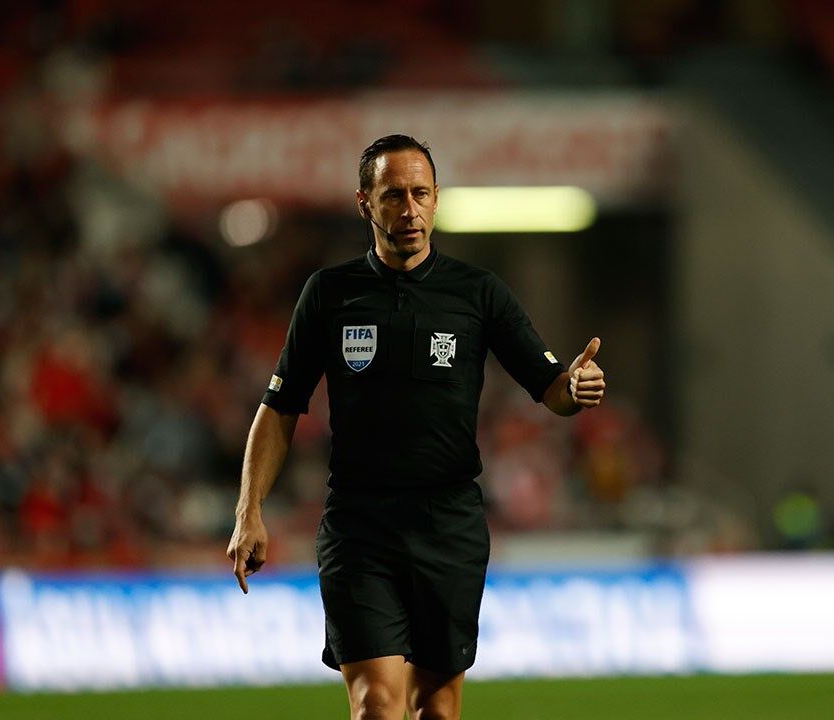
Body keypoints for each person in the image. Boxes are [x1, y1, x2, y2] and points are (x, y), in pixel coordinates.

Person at [226, 134, 606, 720]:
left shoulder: (477, 293)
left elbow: (549, 386)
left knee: (437, 708)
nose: (410, 209)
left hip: (448, 524)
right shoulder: (329, 294)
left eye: (420, 194)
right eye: (394, 195)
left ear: (436, 198)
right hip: (360, 526)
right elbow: (279, 407)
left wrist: (574, 388)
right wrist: (249, 510)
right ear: (365, 203)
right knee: (377, 704)